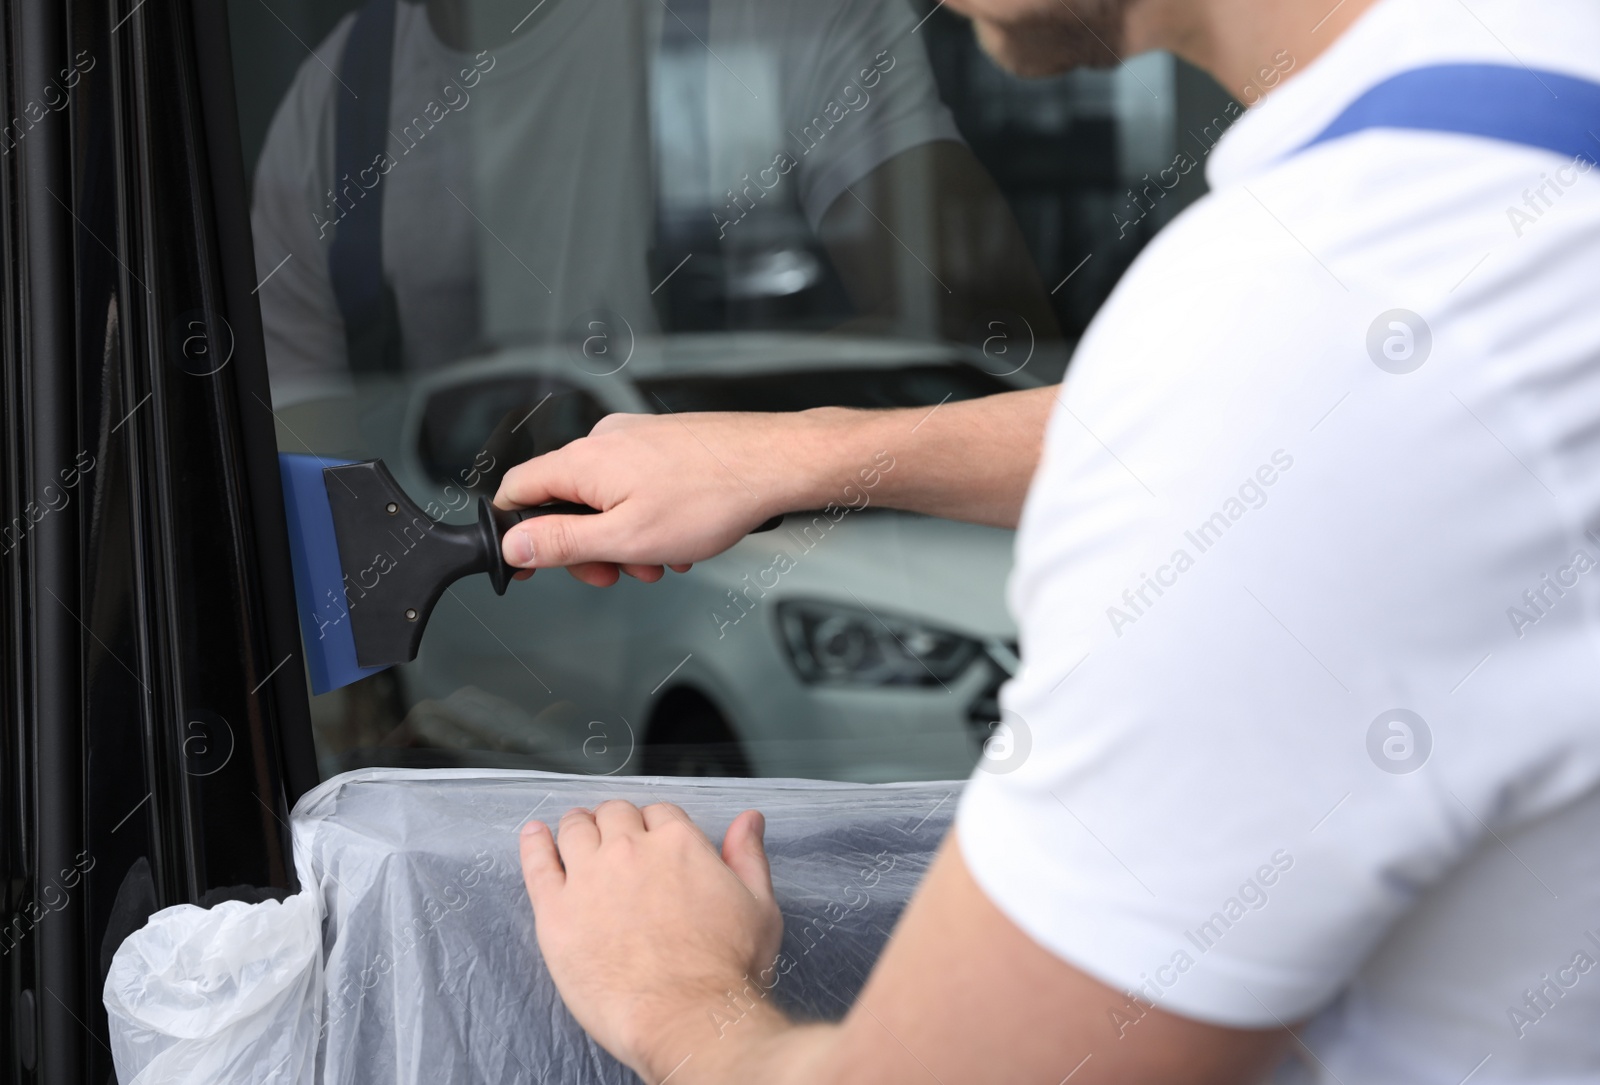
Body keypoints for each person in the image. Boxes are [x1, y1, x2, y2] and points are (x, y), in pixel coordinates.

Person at [493, 0, 1600, 1080]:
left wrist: (676, 994)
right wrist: (816, 450)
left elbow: (1295, 415)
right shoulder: (1505, 144)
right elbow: (1316, 419)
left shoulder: (1313, 308)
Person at [250, 0, 1059, 415]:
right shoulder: (337, 101)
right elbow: (305, 436)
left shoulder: (776, 17)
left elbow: (989, 329)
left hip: (763, 642)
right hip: (463, 679)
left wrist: (670, 417)